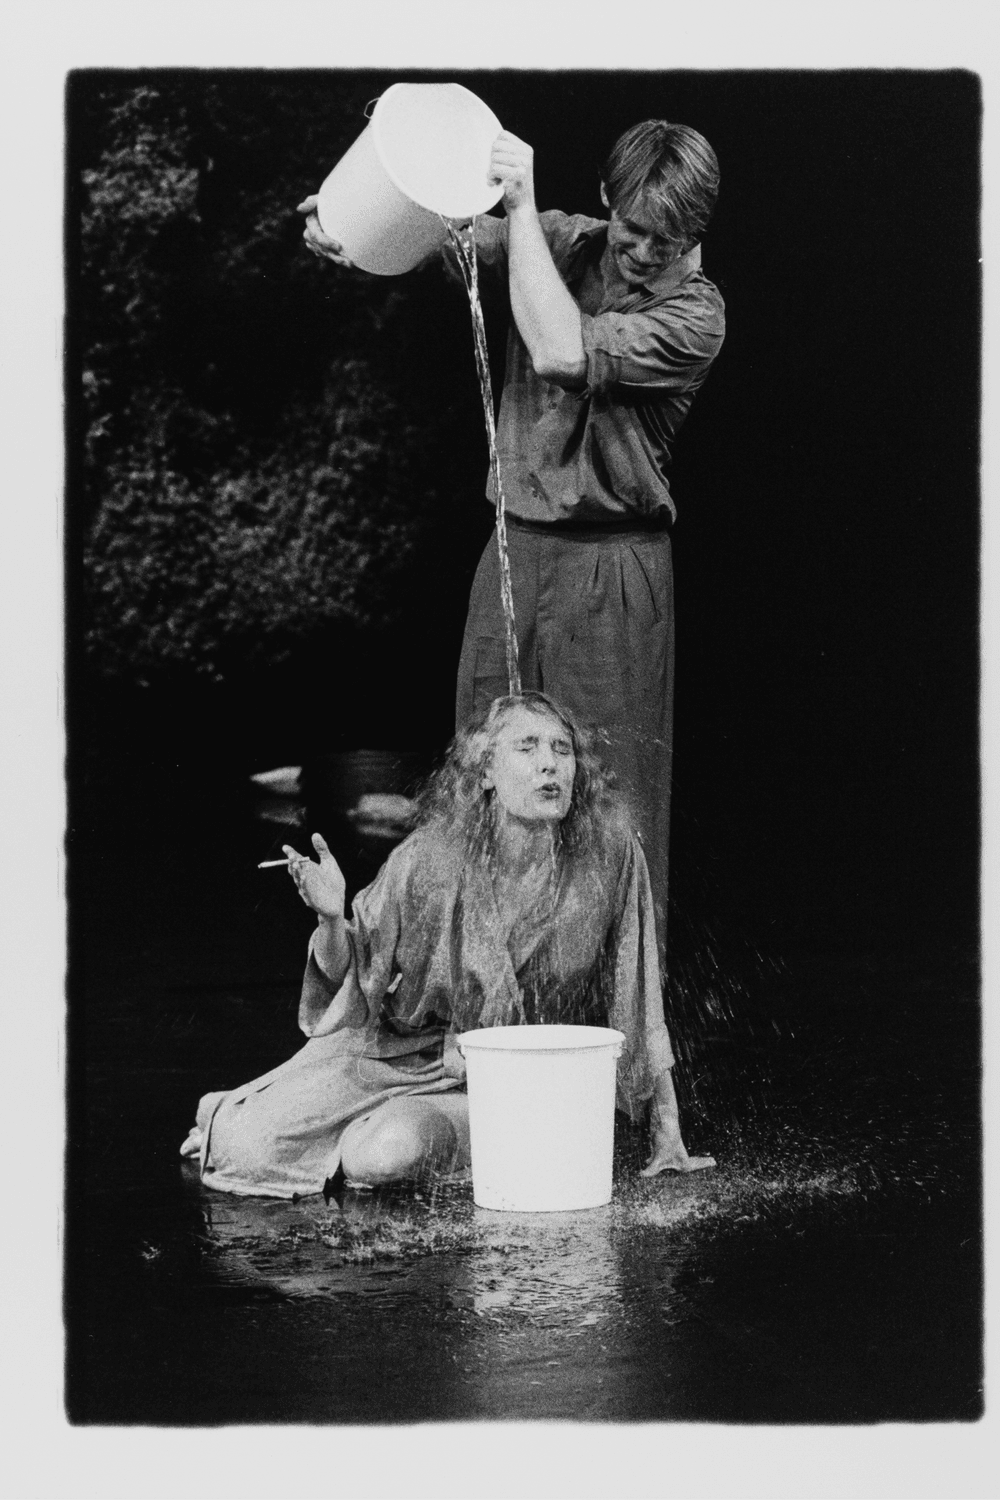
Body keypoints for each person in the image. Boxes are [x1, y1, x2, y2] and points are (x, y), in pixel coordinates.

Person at [298, 117, 725, 965]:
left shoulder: (696, 314)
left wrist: (524, 203)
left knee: (609, 806)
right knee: (482, 784)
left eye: (668, 243)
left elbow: (562, 350)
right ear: (610, 202)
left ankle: (609, 1043)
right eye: (634, 233)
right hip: (515, 544)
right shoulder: (569, 240)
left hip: (613, 568)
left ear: (697, 236)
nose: (643, 256)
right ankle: (474, 1020)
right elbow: (452, 234)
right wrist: (354, 224)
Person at [180, 693, 713, 1198]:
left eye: (562, 748)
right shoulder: (429, 859)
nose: (550, 764)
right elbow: (351, 982)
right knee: (244, 1144)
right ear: (485, 772)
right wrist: (330, 917)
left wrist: (667, 1131)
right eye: (526, 748)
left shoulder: (607, 857)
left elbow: (636, 991)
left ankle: (364, 1136)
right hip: (394, 1055)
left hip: (508, 1076)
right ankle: (267, 1118)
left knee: (383, 1157)